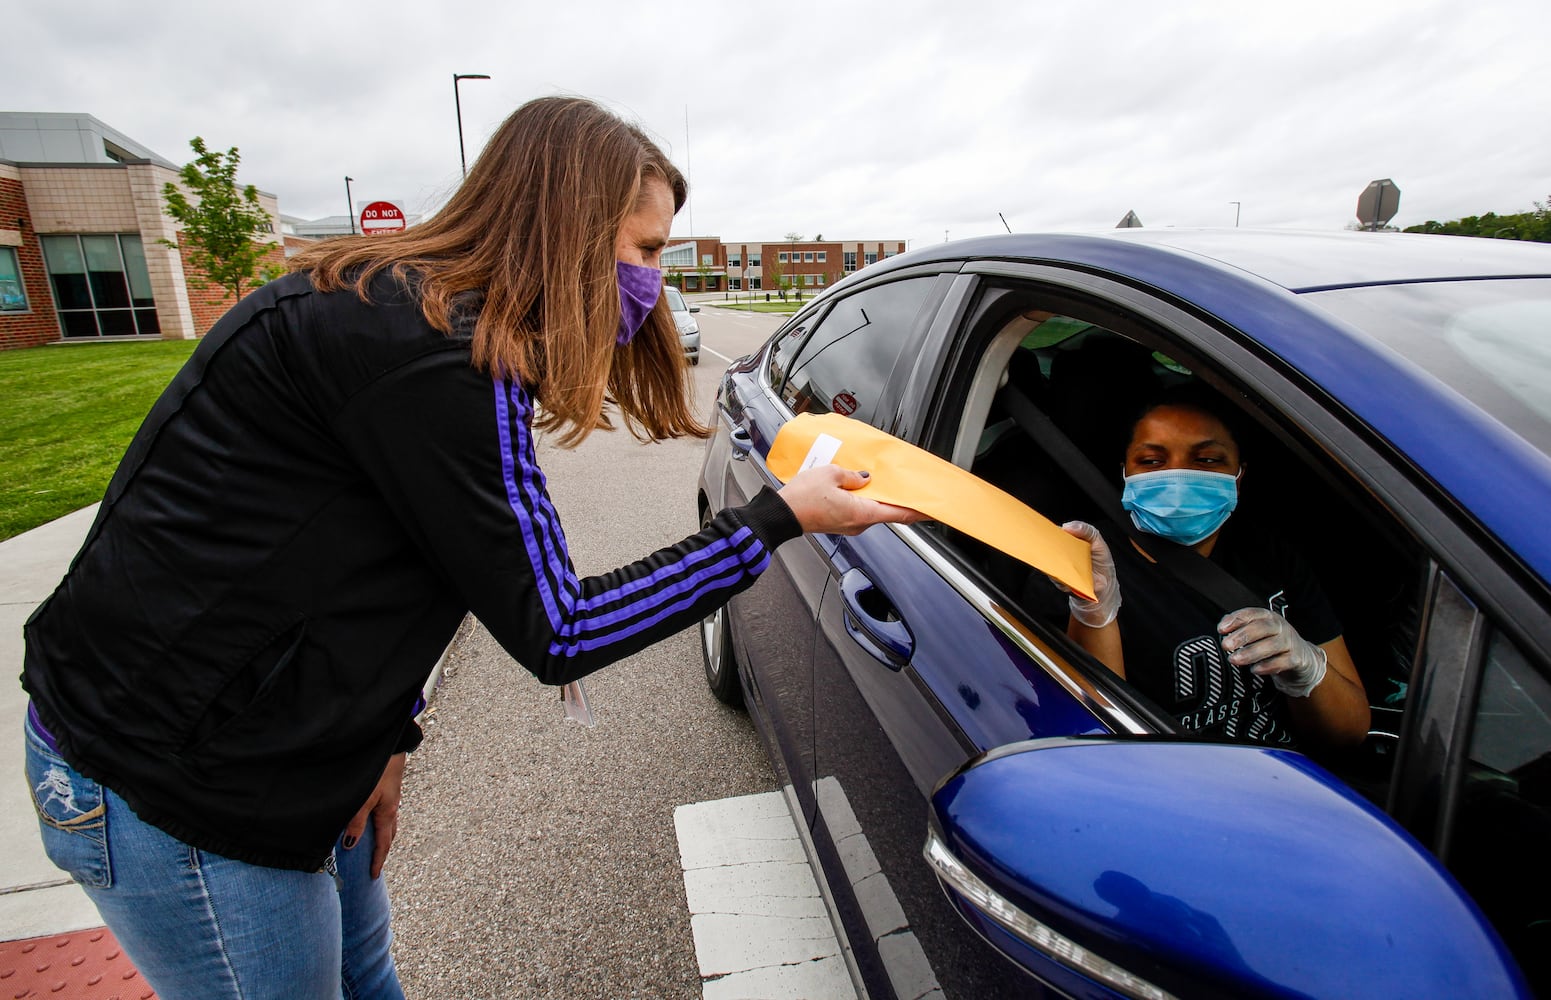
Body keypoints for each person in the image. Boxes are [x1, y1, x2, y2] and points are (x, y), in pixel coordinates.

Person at [20, 96, 920, 1000]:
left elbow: (387, 562)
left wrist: (386, 736)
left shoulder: (415, 321)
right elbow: (559, 626)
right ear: (565, 227)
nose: (653, 280)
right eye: (644, 250)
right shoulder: (432, 356)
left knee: (365, 979)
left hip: (274, 753)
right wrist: (776, 518)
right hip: (169, 779)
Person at [1059, 387, 1370, 749]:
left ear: (1239, 475)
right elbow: (1099, 740)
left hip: (1285, 774)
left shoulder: (1272, 555)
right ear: (1125, 472)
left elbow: (1349, 732)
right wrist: (1093, 612)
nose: (1177, 478)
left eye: (1206, 460)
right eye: (1152, 461)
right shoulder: (1087, 560)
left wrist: (1307, 670)